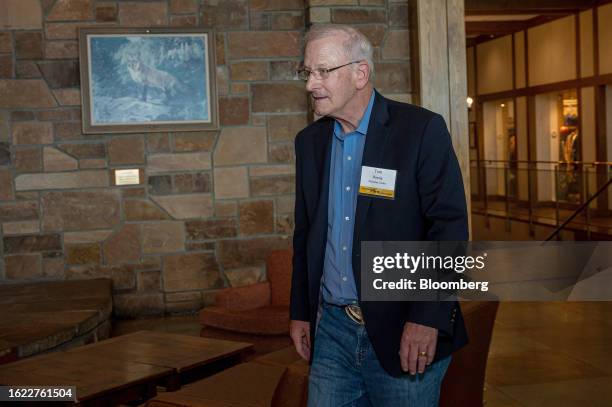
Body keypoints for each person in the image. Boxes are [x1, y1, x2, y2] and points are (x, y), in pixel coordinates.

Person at [289, 24, 469, 406]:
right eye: (308, 72)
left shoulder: (420, 131)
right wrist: (301, 312)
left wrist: (427, 318)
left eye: (323, 71)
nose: (310, 84)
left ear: (360, 73)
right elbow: (305, 235)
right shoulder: (310, 143)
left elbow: (448, 231)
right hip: (333, 333)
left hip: (405, 328)